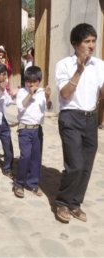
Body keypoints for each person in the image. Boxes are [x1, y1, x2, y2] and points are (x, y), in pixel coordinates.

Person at [55, 23, 104, 223]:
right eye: (87, 42)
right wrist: (79, 71)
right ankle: (62, 202)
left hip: (90, 119)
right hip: (71, 118)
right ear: (75, 44)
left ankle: (75, 203)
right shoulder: (64, 65)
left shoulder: (100, 65)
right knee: (74, 165)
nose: (91, 46)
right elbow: (65, 93)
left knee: (86, 165)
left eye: (93, 41)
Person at [13, 66, 52, 198]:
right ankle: (19, 183)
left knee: (36, 157)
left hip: (37, 129)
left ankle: (33, 183)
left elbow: (49, 108)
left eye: (34, 81)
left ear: (39, 81)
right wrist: (30, 94)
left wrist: (47, 96)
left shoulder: (42, 92)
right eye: (28, 81)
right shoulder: (22, 92)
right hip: (25, 128)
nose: (31, 84)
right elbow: (20, 106)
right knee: (25, 156)